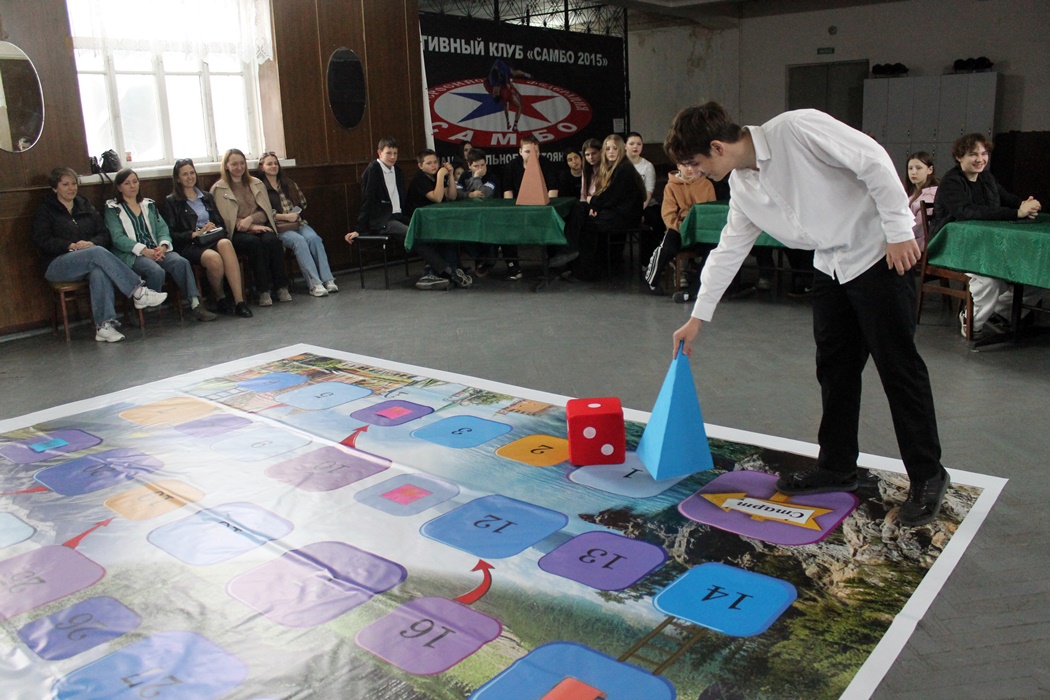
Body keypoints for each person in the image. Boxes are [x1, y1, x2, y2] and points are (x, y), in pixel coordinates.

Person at [665, 101, 949, 527]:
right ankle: (837, 466)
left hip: (879, 256)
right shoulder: (743, 187)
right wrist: (697, 317)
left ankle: (928, 475)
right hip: (830, 266)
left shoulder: (796, 129)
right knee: (835, 369)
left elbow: (872, 160)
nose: (694, 172)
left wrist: (897, 230)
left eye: (695, 163)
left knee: (899, 369)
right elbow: (729, 249)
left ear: (718, 147)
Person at [31, 167, 167, 342]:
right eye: (65, 184)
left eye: (74, 183)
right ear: (54, 188)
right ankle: (138, 291)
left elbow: (104, 234)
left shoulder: (84, 205)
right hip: (57, 263)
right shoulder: (45, 210)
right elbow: (41, 240)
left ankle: (104, 326)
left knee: (99, 271)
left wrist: (91, 243)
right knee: (96, 253)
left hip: (90, 258)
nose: (71, 188)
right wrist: (70, 245)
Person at [932, 133, 1044, 339]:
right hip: (954, 248)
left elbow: (1007, 198)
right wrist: (1016, 213)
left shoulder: (987, 178)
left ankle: (998, 312)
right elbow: (967, 212)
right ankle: (972, 320)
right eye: (973, 154)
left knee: (1037, 274)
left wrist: (1025, 204)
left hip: (988, 246)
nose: (980, 159)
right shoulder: (951, 183)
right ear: (959, 157)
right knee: (991, 280)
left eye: (984, 154)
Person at [344, 137, 461, 292]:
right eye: (389, 153)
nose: (393, 157)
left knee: (427, 229)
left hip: (398, 216)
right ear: (379, 153)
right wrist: (359, 229)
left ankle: (435, 271)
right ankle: (448, 271)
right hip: (383, 220)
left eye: (395, 153)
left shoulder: (398, 171)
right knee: (412, 234)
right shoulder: (373, 171)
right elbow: (367, 201)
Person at [104, 169, 216, 322]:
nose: (132, 186)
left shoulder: (148, 205)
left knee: (180, 262)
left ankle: (195, 304)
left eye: (135, 182)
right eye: (127, 183)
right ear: (119, 187)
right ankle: (141, 308)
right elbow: (118, 238)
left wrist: (163, 246)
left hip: (156, 249)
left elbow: (162, 229)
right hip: (132, 253)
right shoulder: (113, 209)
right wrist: (144, 250)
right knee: (155, 271)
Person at [163, 158, 252, 318]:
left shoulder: (206, 196)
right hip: (191, 243)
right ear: (178, 178)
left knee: (226, 243)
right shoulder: (172, 201)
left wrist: (212, 227)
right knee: (214, 259)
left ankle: (240, 301)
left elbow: (221, 223)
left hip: (212, 237)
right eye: (185, 174)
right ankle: (219, 297)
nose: (190, 177)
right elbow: (172, 233)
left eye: (192, 173)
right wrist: (195, 233)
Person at [211, 148, 290, 307]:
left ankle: (281, 286)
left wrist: (252, 220)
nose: (239, 167)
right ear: (226, 166)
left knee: (272, 241)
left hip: (260, 225)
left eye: (242, 163)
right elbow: (224, 219)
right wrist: (249, 226)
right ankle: (263, 290)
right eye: (234, 164)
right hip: (237, 232)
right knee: (254, 244)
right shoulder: (219, 189)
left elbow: (265, 211)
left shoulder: (256, 184)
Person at [257, 152, 338, 298]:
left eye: (275, 163)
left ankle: (328, 279)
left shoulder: (288, 183)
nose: (273, 166)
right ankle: (314, 283)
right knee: (299, 241)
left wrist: (296, 213)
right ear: (262, 167)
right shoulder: (260, 188)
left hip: (297, 223)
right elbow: (263, 212)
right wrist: (285, 217)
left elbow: (302, 202)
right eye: (269, 164)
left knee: (314, 238)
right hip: (279, 227)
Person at [574, 134, 645, 280]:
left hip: (625, 217)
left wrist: (592, 201)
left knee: (586, 224)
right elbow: (608, 197)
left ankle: (588, 269)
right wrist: (595, 206)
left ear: (621, 149)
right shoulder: (616, 168)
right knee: (583, 215)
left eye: (614, 148)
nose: (611, 152)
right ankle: (592, 266)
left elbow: (611, 196)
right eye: (607, 149)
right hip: (619, 213)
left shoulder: (624, 169)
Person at [642, 161, 716, 295]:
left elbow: (711, 212)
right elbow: (668, 214)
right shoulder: (671, 186)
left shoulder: (707, 185)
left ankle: (698, 285)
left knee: (712, 249)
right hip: (679, 226)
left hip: (701, 229)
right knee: (668, 245)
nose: (690, 169)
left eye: (693, 165)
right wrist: (681, 227)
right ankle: (652, 279)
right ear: (678, 166)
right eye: (685, 165)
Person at [406, 149, 473, 290]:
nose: (433, 165)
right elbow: (437, 198)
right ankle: (446, 271)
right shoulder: (420, 179)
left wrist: (450, 175)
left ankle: (453, 269)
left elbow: (452, 196)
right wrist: (441, 175)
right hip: (419, 222)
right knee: (444, 236)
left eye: (435, 162)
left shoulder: (436, 177)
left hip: (434, 219)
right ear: (420, 166)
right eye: (429, 163)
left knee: (452, 232)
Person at [502, 136, 561, 280]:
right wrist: (512, 212)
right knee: (504, 225)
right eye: (528, 151)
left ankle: (553, 265)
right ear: (520, 152)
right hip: (518, 210)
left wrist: (544, 210)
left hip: (542, 210)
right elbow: (508, 192)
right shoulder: (512, 166)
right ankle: (513, 266)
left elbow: (553, 191)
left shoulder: (546, 164)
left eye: (536, 152)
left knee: (553, 222)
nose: (532, 155)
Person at [904, 151, 939, 250]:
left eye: (919, 168)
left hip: (921, 245)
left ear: (930, 170)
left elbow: (919, 227)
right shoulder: (914, 195)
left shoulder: (931, 194)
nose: (913, 172)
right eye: (910, 168)